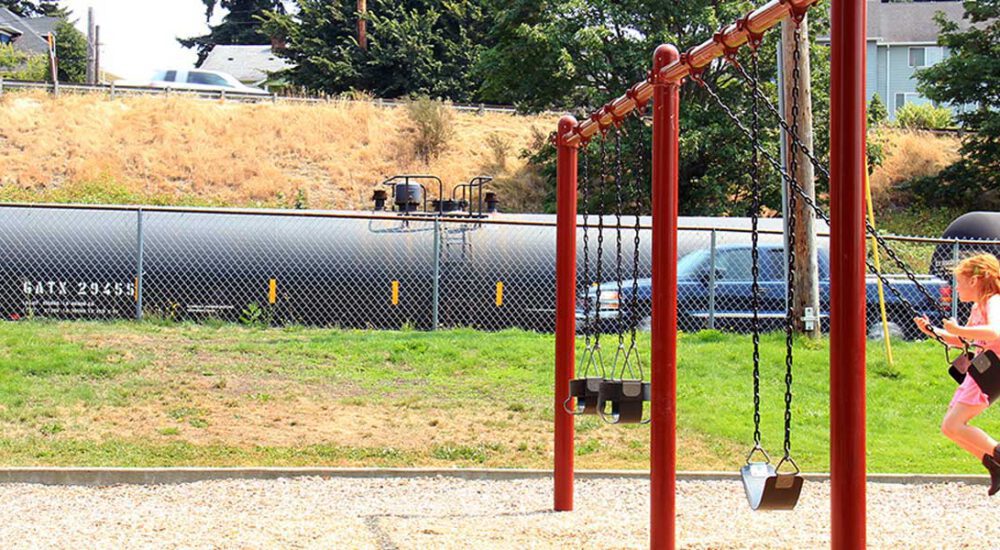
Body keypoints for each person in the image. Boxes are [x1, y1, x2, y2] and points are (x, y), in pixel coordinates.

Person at [914, 253, 1000, 495]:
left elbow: (995, 331)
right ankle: (993, 463)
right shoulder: (978, 306)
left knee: (954, 423)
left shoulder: (994, 301)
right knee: (949, 427)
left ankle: (997, 456)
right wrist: (934, 331)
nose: (956, 288)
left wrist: (959, 329)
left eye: (960, 282)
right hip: (982, 369)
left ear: (975, 280)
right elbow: (963, 339)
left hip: (992, 368)